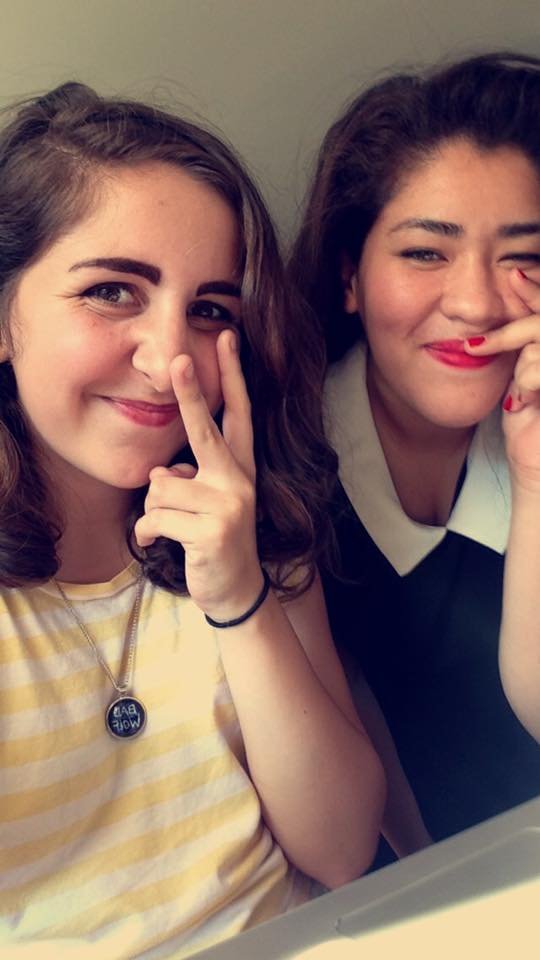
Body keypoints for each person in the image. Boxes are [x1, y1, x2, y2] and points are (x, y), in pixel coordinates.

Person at [0, 83, 385, 958]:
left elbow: (341, 850)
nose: (171, 355)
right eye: (112, 291)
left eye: (210, 310)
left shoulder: (258, 523)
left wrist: (239, 592)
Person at [289, 51, 540, 864]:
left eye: (526, 258)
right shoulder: (278, 468)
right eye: (426, 253)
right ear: (350, 276)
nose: (476, 303)